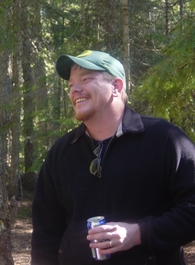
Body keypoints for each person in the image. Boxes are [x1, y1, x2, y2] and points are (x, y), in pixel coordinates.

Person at [31, 50, 195, 264]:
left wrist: (139, 233)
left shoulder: (164, 139)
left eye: (86, 79)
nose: (74, 90)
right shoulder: (61, 152)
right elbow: (46, 234)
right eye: (71, 85)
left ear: (116, 87)